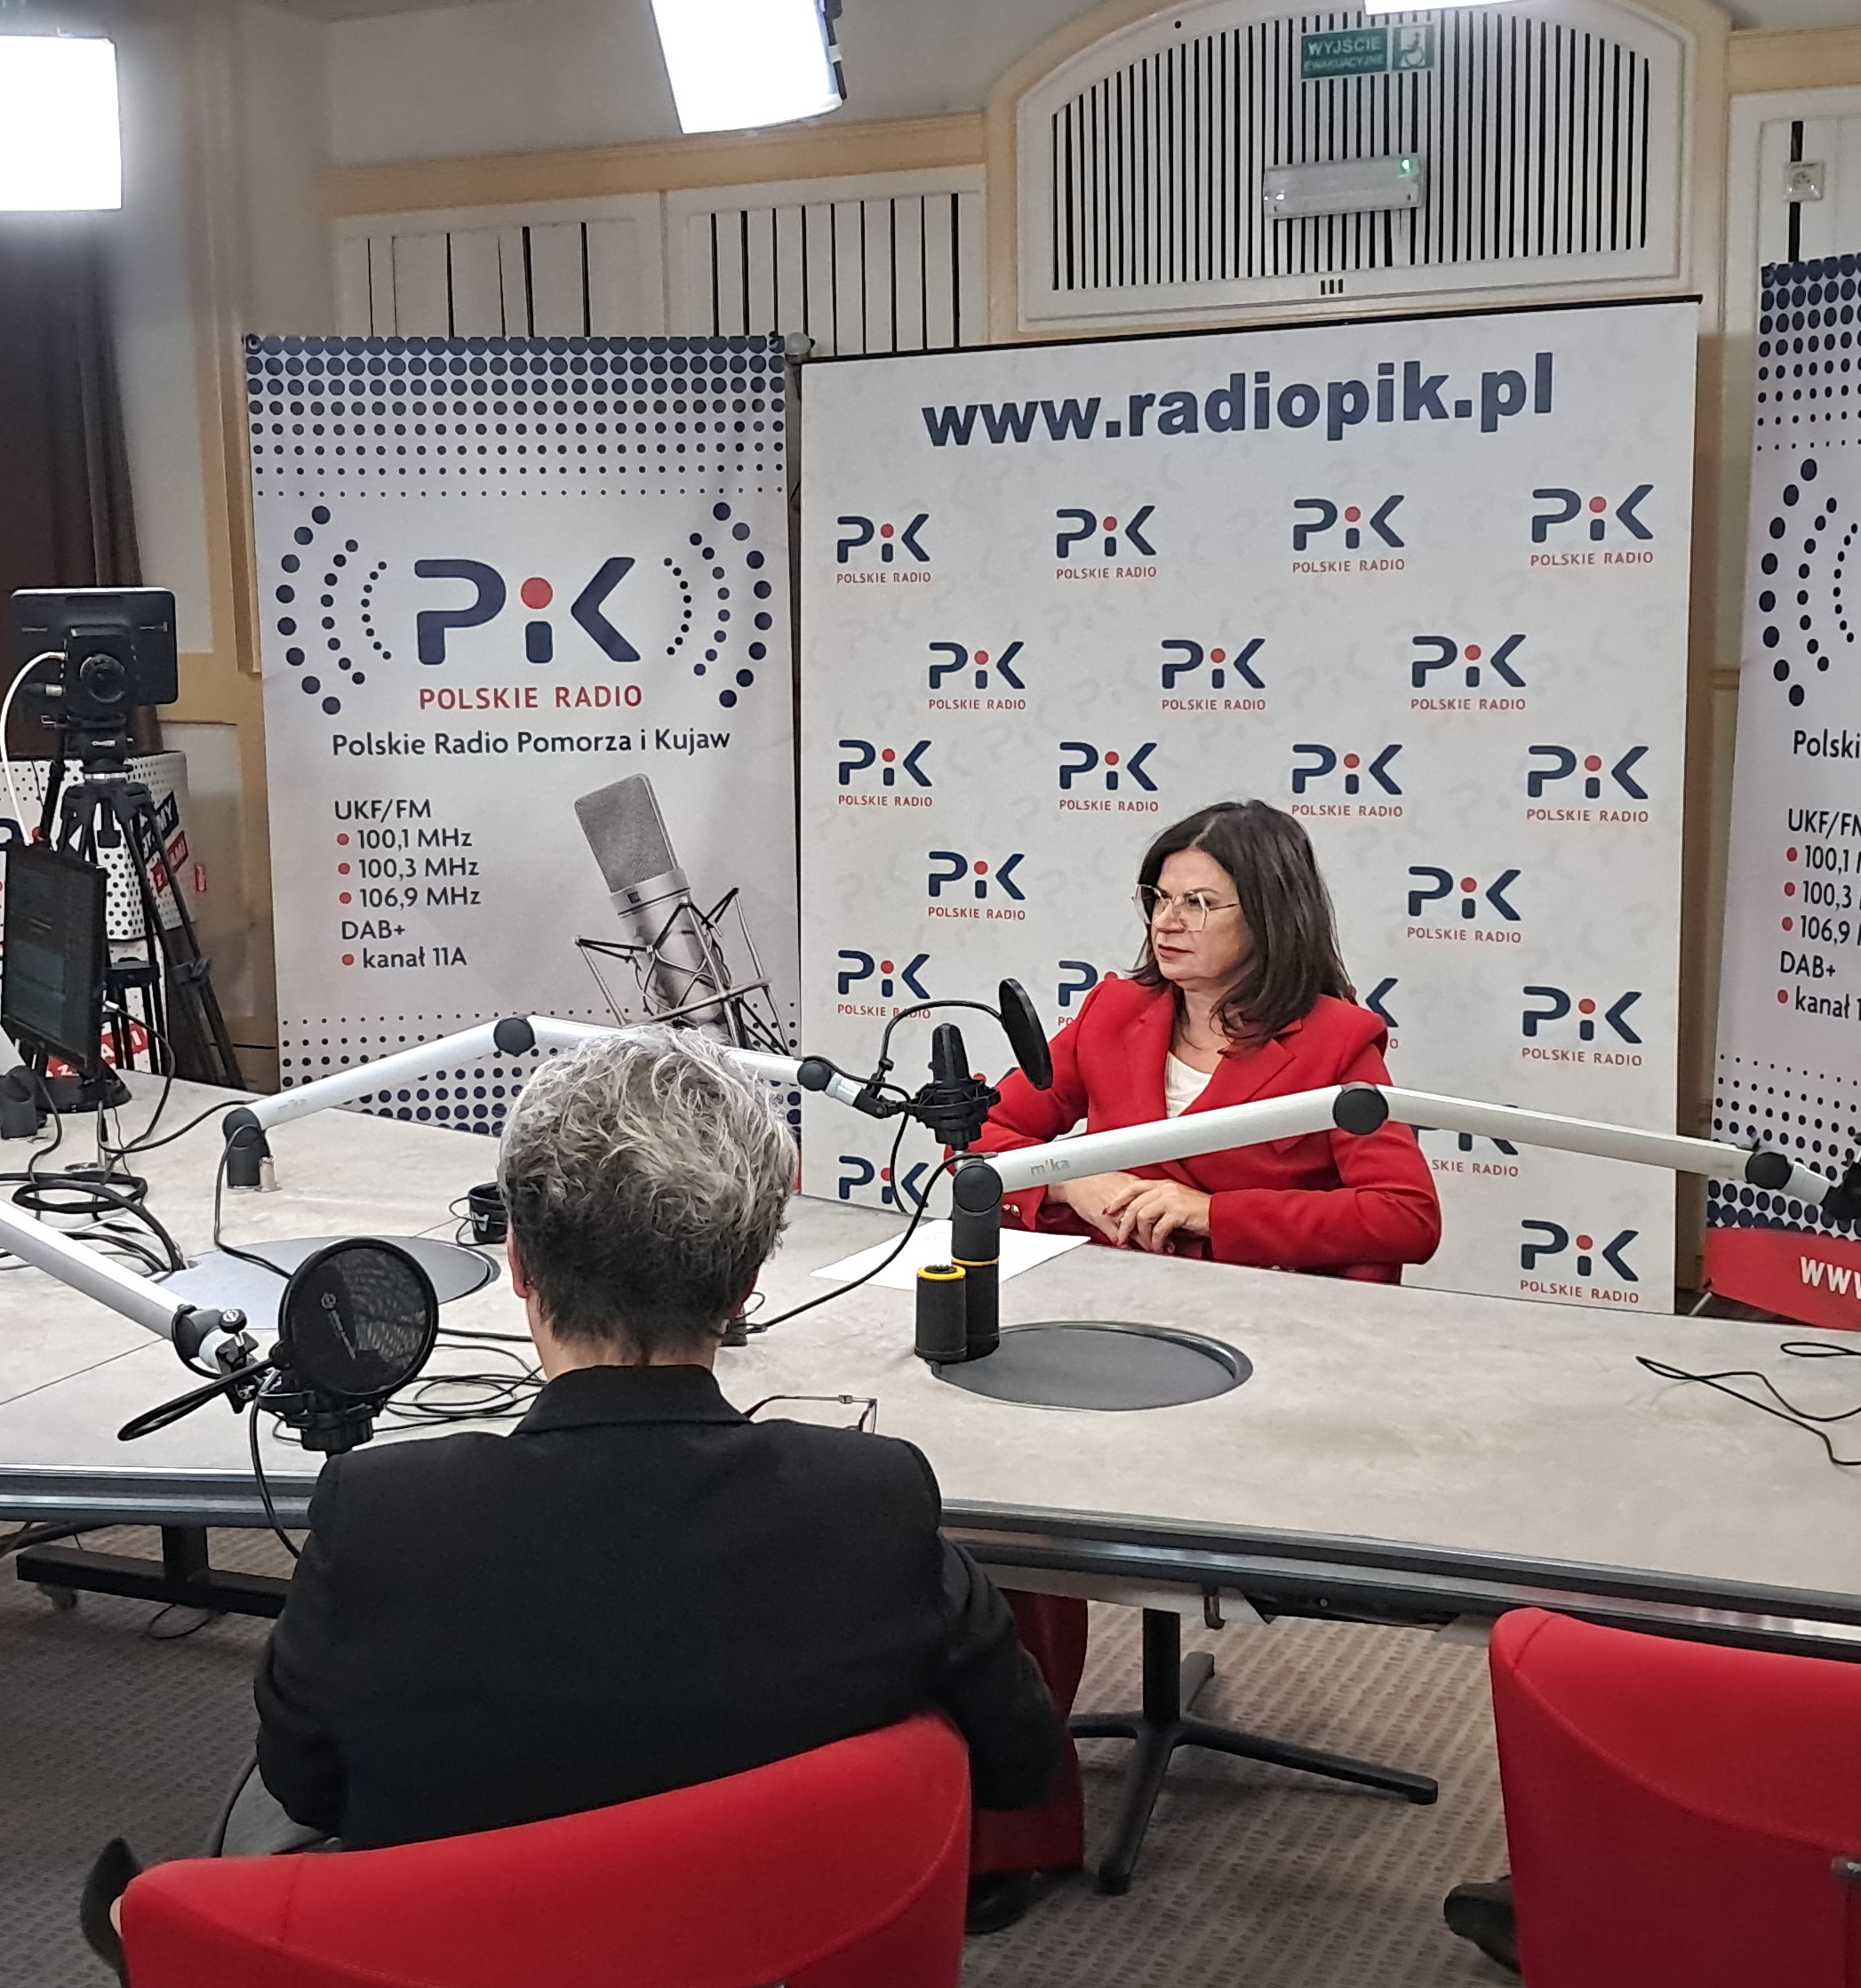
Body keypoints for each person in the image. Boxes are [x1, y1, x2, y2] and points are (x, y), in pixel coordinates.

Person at [80, 1026, 1061, 1967]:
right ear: (744, 1287)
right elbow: (1023, 1763)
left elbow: (306, 1785)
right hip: (775, 1954)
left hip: (447, 1960)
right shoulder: (872, 1501)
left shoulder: (382, 1513)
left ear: (517, 1266)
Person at [966, 800, 1442, 1928]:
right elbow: (989, 1142)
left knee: (1033, 1501)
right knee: (996, 1513)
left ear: (1266, 914)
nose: (1167, 922)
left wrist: (1210, 1212)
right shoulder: (1115, 1012)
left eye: (1199, 902)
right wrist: (1078, 1180)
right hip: (1103, 1335)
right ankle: (1016, 1825)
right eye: (1158, 898)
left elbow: (1405, 1216)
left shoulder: (1336, 1041)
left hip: (1255, 1355)